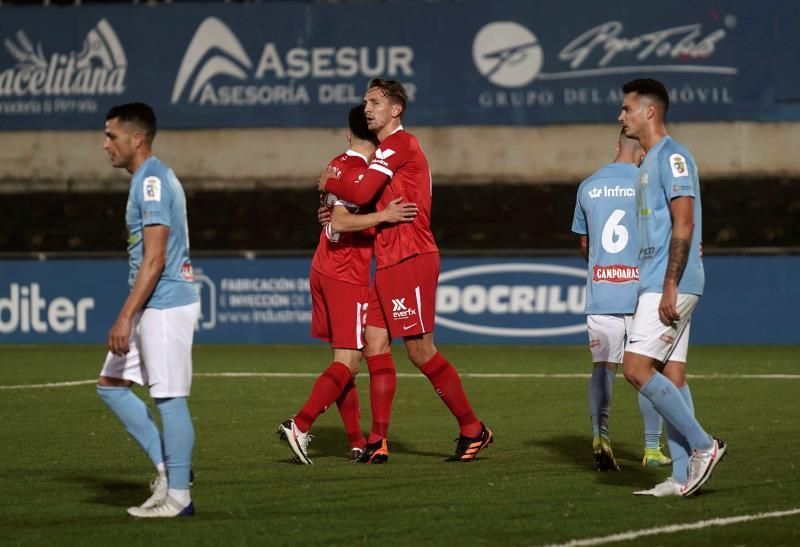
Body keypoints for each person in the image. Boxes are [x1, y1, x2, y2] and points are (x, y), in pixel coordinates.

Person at [318, 79, 492, 464]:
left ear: (396, 110)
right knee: (375, 345)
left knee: (419, 350)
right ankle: (378, 440)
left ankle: (472, 428)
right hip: (388, 259)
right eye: (365, 102)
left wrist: (329, 180)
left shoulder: (400, 144)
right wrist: (337, 214)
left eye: (376, 102)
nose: (368, 108)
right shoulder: (383, 153)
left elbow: (361, 195)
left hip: (411, 256)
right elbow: (361, 205)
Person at [278, 105, 417, 465]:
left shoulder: (336, 164)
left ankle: (357, 441)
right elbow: (339, 220)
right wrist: (385, 215)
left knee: (345, 361)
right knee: (349, 361)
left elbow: (330, 214)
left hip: (323, 266)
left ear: (347, 133)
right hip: (346, 274)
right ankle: (301, 424)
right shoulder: (361, 173)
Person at [617, 78, 725, 497]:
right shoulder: (648, 162)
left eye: (626, 108)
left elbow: (685, 222)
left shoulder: (674, 157)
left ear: (649, 111)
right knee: (672, 376)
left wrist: (669, 285)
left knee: (635, 369)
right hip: (658, 280)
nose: (621, 115)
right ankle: (681, 478)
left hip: (671, 282)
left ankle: (704, 446)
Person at [96, 102, 199, 517]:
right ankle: (171, 472)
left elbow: (155, 259)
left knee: (170, 400)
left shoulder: (151, 182)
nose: (105, 145)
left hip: (165, 304)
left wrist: (125, 315)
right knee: (111, 386)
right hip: (153, 304)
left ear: (136, 139)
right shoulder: (147, 178)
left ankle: (179, 498)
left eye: (111, 136)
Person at [572, 130, 672, 472]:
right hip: (642, 293)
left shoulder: (587, 186)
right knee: (648, 370)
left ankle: (600, 434)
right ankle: (651, 448)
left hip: (602, 292)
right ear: (642, 153)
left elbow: (585, 246)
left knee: (603, 368)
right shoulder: (648, 184)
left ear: (616, 148)